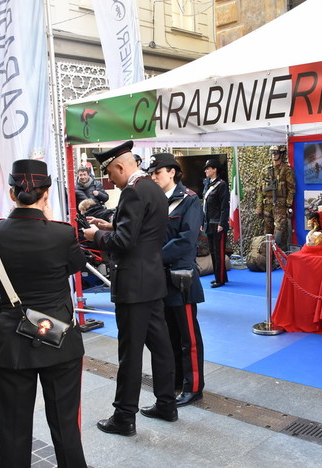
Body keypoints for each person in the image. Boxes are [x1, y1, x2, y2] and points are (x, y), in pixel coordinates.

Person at [0, 159, 88, 468]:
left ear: (12, 194)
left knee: (14, 430)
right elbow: (76, 266)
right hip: (58, 336)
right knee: (66, 426)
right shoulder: (62, 233)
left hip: (11, 337)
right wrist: (50, 223)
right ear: (47, 193)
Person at [83, 140, 177, 437]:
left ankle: (124, 416)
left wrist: (96, 235)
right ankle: (166, 403)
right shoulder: (153, 189)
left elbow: (125, 242)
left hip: (132, 285)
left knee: (131, 353)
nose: (109, 179)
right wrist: (110, 226)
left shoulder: (133, 192)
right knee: (161, 347)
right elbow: (142, 231)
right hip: (151, 279)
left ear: (121, 166)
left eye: (110, 172)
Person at [148, 153, 206, 407]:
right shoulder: (156, 200)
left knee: (188, 336)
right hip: (159, 278)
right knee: (168, 334)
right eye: (151, 174)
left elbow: (186, 240)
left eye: (157, 173)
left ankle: (193, 386)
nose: (153, 178)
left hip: (180, 278)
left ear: (171, 172)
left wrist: (153, 257)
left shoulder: (189, 201)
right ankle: (175, 380)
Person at [255, 145, 296, 250]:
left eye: (276, 153)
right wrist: (259, 206)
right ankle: (268, 257)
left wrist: (288, 205)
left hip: (280, 206)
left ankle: (278, 254)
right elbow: (260, 190)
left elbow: (291, 189)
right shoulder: (265, 170)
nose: (274, 155)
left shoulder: (286, 170)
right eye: (272, 153)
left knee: (279, 231)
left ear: (281, 154)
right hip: (267, 206)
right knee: (267, 232)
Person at [203, 158, 230, 288]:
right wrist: (203, 222)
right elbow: (205, 207)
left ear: (215, 170)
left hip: (218, 223)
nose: (206, 170)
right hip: (209, 223)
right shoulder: (207, 184)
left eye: (208, 168)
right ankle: (219, 276)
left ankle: (220, 279)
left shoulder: (222, 185)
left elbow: (225, 207)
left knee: (219, 252)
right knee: (213, 252)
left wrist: (222, 223)